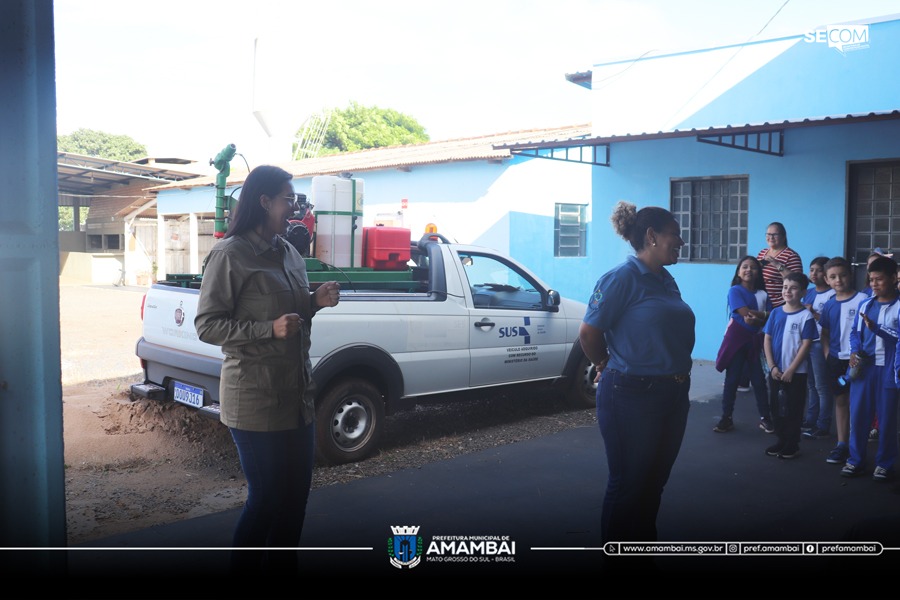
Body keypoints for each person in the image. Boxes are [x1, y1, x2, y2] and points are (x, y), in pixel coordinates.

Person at [194, 165, 341, 572]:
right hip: (256, 401)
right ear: (264, 202)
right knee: (268, 498)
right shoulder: (230, 254)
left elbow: (293, 314)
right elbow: (207, 325)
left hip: (297, 396)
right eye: (288, 199)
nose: (293, 206)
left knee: (296, 498)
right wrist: (268, 329)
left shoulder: (290, 252)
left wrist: (314, 301)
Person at [579, 201, 695, 544]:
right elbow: (589, 333)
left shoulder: (666, 280)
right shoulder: (621, 278)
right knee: (629, 483)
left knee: (654, 481)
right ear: (652, 236)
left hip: (673, 393)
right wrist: (604, 363)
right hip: (631, 394)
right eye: (675, 234)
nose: (681, 242)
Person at [841, 256, 899, 481]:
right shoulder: (865, 303)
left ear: (894, 278)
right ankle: (855, 460)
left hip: (888, 370)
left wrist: (876, 328)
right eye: (871, 279)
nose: (874, 284)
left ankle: (885, 463)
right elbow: (855, 333)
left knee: (886, 419)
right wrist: (854, 351)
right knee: (858, 416)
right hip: (864, 369)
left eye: (880, 279)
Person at [713, 256, 773, 433]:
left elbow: (771, 315)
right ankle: (726, 417)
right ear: (739, 271)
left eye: (753, 267)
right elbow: (745, 314)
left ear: (758, 272)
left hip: (755, 340)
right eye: (744, 267)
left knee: (759, 381)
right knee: (732, 380)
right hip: (736, 340)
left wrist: (761, 316)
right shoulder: (735, 291)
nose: (749, 270)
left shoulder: (763, 293)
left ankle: (766, 418)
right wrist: (763, 315)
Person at [762, 272, 817, 459]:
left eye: (793, 288)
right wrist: (772, 366)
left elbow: (806, 344)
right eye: (785, 287)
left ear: (802, 292)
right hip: (776, 371)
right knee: (776, 408)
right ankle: (781, 440)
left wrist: (792, 369)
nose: (788, 291)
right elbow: (767, 339)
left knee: (793, 408)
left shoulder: (806, 316)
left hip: (796, 373)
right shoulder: (776, 312)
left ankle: (792, 444)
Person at [819, 257, 868, 466]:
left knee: (859, 404)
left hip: (860, 361)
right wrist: (828, 355)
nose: (838, 280)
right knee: (840, 401)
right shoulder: (829, 305)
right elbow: (825, 334)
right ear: (827, 280)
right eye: (833, 277)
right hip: (836, 361)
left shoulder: (864, 301)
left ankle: (859, 446)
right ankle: (842, 444)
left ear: (851, 275)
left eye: (843, 275)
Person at [802, 256, 837, 439]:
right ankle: (811, 419)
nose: (814, 273)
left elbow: (830, 322)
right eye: (812, 269)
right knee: (811, 384)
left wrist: (813, 313)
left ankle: (823, 423)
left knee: (822, 385)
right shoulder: (808, 292)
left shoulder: (832, 294)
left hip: (820, 342)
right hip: (807, 342)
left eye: (819, 270)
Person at [756, 222, 802, 308]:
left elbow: (798, 281)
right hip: (761, 303)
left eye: (775, 234)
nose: (771, 237)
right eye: (768, 234)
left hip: (779, 305)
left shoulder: (791, 256)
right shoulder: (762, 253)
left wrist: (777, 265)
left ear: (783, 236)